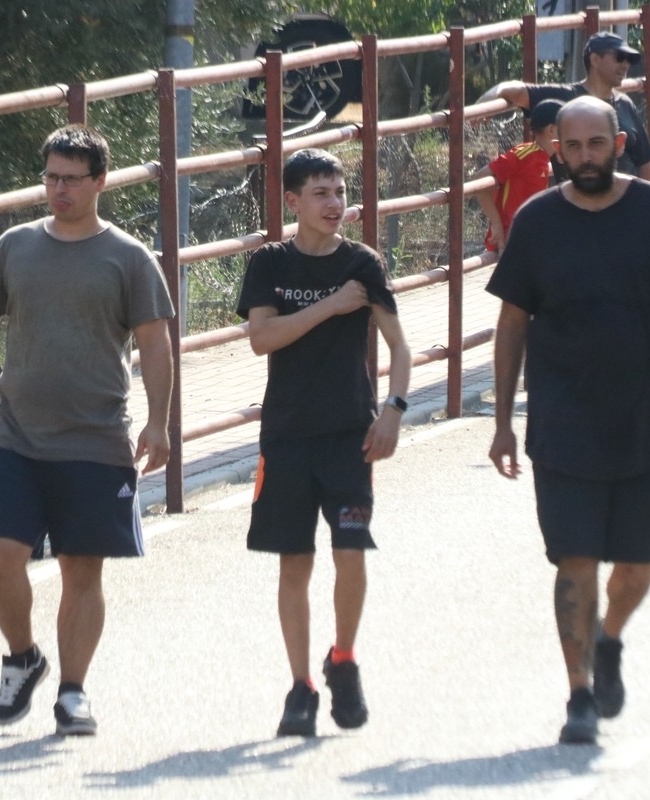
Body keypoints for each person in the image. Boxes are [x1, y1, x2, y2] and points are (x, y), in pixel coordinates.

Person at [486, 96, 650, 745]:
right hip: (561, 422)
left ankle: (609, 639)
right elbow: (512, 323)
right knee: (574, 558)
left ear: (619, 144)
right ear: (557, 149)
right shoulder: (537, 221)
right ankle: (579, 692)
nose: (585, 157)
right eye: (574, 146)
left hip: (644, 418)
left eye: (597, 144)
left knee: (635, 564)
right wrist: (502, 422)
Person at [0, 124, 175, 737]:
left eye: (72, 179)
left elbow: (155, 343)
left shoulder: (129, 257)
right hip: (15, 435)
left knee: (81, 570)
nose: (59, 190)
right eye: (51, 178)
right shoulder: (15, 247)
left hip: (96, 439)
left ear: (100, 181)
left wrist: (159, 422)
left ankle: (73, 693)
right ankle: (23, 656)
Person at [236, 148, 412, 738]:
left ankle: (343, 658)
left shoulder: (363, 263)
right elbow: (262, 338)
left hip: (349, 436)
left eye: (340, 192)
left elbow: (400, 346)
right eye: (320, 193)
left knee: (351, 551)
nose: (335, 203)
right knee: (295, 562)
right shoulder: (269, 263)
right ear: (292, 201)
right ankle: (301, 686)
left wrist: (393, 410)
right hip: (287, 436)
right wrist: (332, 305)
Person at [480, 31, 650, 180]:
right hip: (581, 200)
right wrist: (488, 97)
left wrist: (647, 204)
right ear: (595, 59)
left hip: (626, 200)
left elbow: (644, 161)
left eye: (629, 59)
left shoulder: (625, 103)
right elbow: (517, 91)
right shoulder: (565, 97)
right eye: (620, 58)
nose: (626, 65)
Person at [472, 99, 563, 254]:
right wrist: (496, 224)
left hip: (528, 240)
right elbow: (479, 179)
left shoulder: (543, 158)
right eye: (566, 127)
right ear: (552, 130)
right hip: (510, 241)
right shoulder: (523, 155)